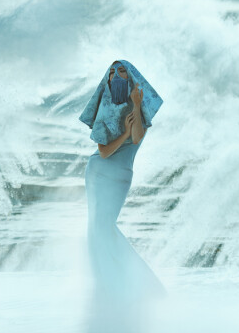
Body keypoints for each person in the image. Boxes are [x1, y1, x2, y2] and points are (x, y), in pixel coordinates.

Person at [79, 59, 167, 307]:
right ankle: (108, 287)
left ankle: (142, 285)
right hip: (97, 171)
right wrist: (124, 135)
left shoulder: (140, 108)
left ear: (130, 77)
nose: (116, 75)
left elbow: (138, 137)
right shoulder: (105, 106)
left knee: (105, 228)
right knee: (97, 230)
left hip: (121, 176)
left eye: (121, 71)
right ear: (107, 79)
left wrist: (137, 106)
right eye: (111, 72)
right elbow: (104, 152)